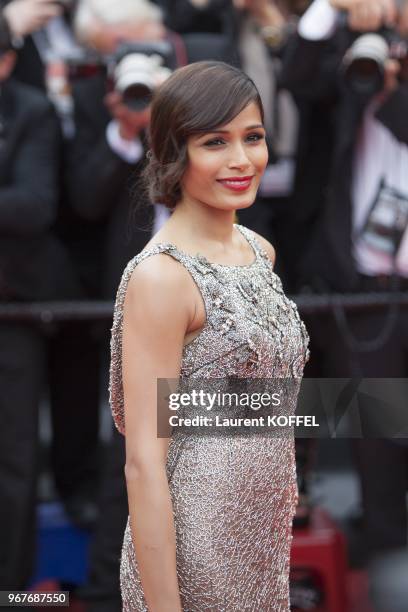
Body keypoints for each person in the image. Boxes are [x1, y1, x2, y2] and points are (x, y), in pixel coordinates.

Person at [109, 60, 310, 611]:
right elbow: (143, 462)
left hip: (264, 541)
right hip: (195, 547)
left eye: (253, 138)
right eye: (215, 142)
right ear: (176, 152)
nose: (242, 160)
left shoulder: (259, 251)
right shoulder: (160, 278)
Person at [280, 0, 408, 559]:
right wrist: (329, 10)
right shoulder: (354, 71)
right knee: (378, 433)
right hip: (365, 290)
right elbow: (298, 77)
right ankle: (384, 564)